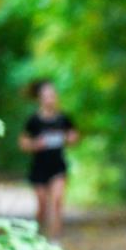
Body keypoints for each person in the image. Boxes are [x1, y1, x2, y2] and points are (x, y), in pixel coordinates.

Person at [19, 80, 78, 239]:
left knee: (58, 201)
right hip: (39, 167)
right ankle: (39, 236)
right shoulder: (34, 121)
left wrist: (70, 138)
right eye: (46, 96)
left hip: (58, 165)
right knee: (43, 205)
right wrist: (35, 144)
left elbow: (74, 136)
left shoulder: (63, 119)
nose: (50, 99)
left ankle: (55, 239)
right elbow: (23, 143)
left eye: (52, 95)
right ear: (40, 99)